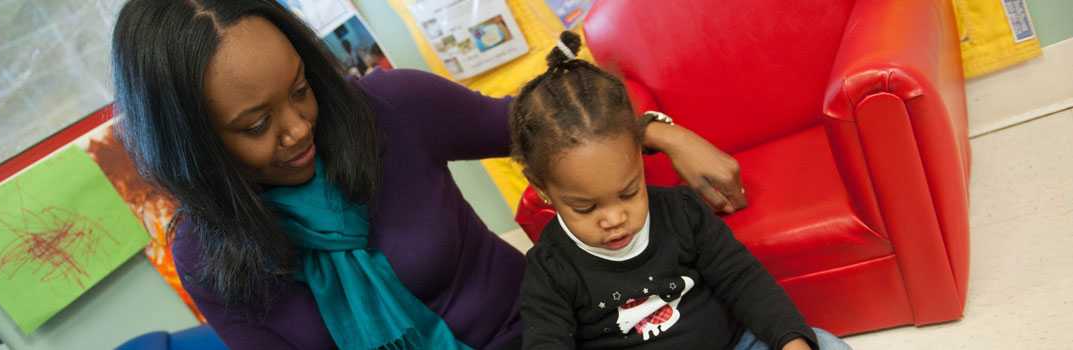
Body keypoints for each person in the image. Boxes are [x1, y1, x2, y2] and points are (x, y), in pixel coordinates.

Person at [111, 1, 745, 349]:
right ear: (192, 142)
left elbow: (555, 126)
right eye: (255, 125)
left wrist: (660, 130)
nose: (299, 128)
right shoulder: (207, 253)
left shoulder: (394, 110)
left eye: (301, 91)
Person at [512, 32, 851, 350]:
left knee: (824, 343)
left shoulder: (682, 212)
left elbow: (743, 280)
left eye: (629, 192)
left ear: (638, 157)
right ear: (542, 189)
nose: (615, 219)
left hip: (734, 344)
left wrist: (791, 342)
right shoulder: (550, 270)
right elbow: (547, 342)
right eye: (585, 208)